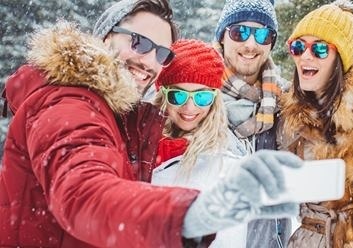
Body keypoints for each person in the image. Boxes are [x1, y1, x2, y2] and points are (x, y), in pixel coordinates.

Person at [0, 4, 302, 248]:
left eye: (161, 52)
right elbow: (85, 194)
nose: (148, 60)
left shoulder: (120, 116)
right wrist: (195, 211)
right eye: (138, 42)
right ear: (105, 37)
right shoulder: (68, 103)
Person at [278, 1, 353, 247]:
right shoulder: (286, 112)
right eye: (298, 46)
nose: (305, 56)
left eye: (319, 49)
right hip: (309, 240)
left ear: (340, 56)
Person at [150, 39, 250, 247]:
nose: (189, 107)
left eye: (202, 97)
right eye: (178, 95)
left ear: (214, 99)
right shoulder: (140, 151)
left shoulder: (226, 161)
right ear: (163, 94)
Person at [213, 0, 292, 247]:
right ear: (222, 37)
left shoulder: (287, 102)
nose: (250, 44)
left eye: (262, 34)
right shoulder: (194, 99)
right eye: (239, 32)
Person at [93, 0, 178, 102]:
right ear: (107, 38)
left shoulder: (131, 115)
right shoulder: (80, 106)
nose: (149, 62)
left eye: (162, 53)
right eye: (140, 42)